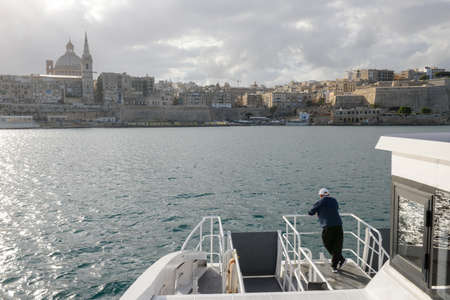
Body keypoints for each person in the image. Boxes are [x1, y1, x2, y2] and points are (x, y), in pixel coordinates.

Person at [308, 188, 345, 273]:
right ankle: (335, 265)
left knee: (327, 243)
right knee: (337, 245)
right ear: (328, 194)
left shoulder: (321, 201)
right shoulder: (334, 200)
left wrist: (318, 212)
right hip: (339, 225)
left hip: (328, 226)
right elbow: (334, 209)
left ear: (321, 195)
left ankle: (340, 260)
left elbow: (311, 212)